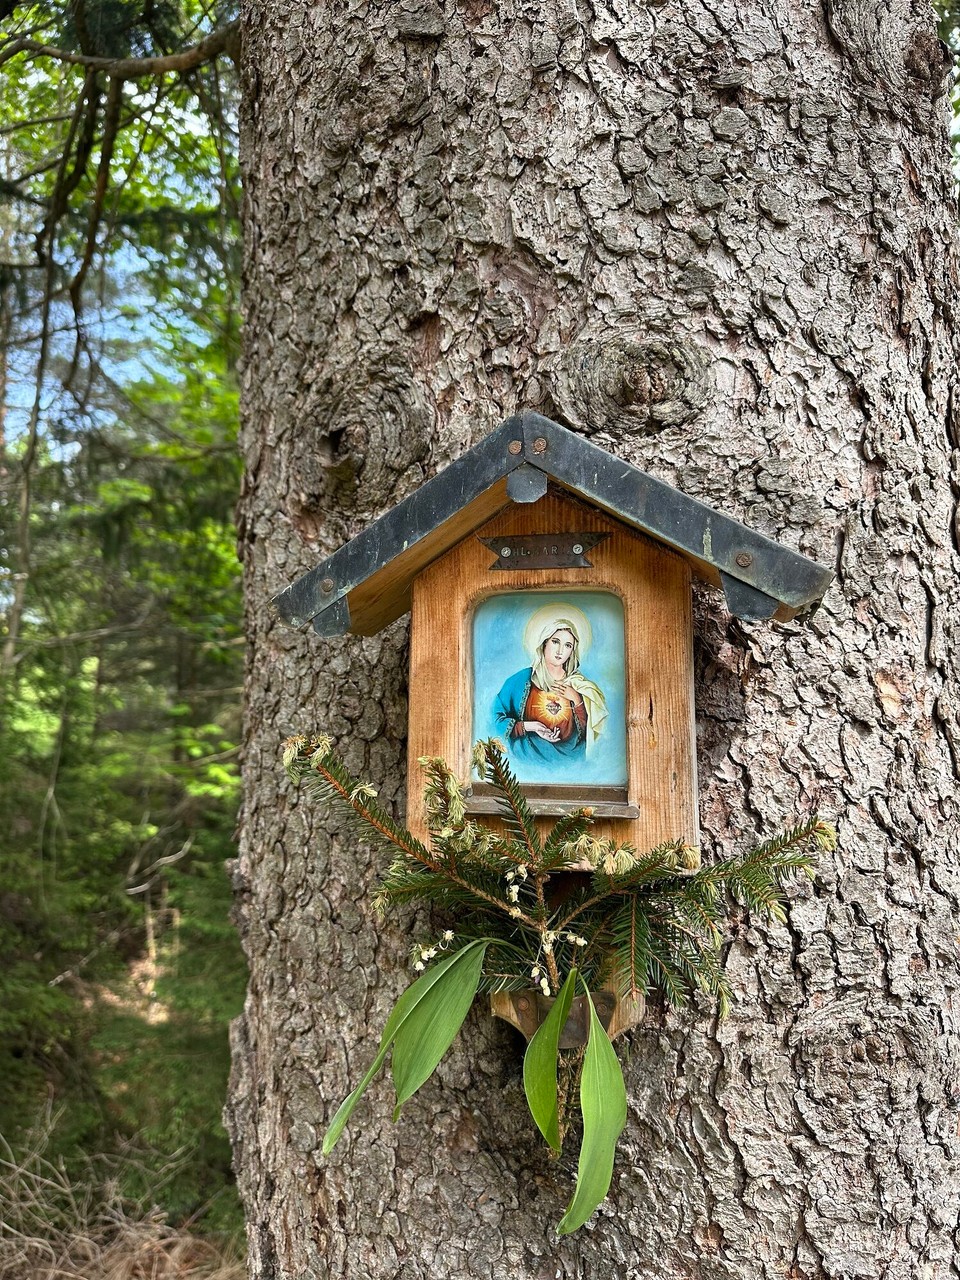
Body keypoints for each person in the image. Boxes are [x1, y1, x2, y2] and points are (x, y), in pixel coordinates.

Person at [494, 612, 607, 763]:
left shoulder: (580, 685)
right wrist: (530, 726)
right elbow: (494, 722)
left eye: (567, 645)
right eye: (555, 642)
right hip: (526, 759)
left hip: (570, 763)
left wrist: (577, 699)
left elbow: (590, 732)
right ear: (544, 643)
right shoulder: (520, 681)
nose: (560, 651)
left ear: (572, 651)